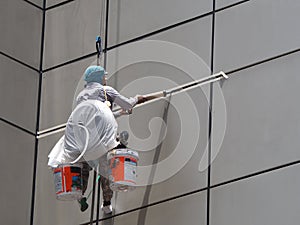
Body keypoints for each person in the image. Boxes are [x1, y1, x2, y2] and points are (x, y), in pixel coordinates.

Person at [48, 65, 147, 214]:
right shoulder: (106, 91)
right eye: (104, 76)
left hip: (81, 140)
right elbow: (126, 104)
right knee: (106, 171)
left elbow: (94, 117)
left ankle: (79, 194)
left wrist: (118, 114)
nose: (105, 79)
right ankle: (106, 203)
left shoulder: (81, 96)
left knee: (83, 170)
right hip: (100, 141)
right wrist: (137, 99)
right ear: (99, 77)